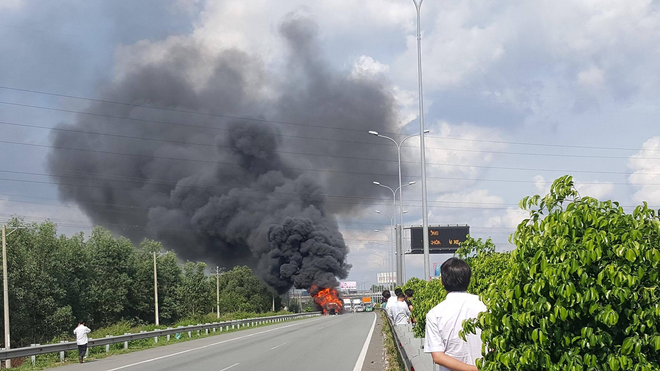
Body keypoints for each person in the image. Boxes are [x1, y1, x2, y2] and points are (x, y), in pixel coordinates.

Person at [424, 258, 486, 371]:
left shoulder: (435, 313)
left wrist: (473, 369)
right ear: (469, 280)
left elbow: (438, 356)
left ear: (442, 281)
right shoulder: (486, 305)